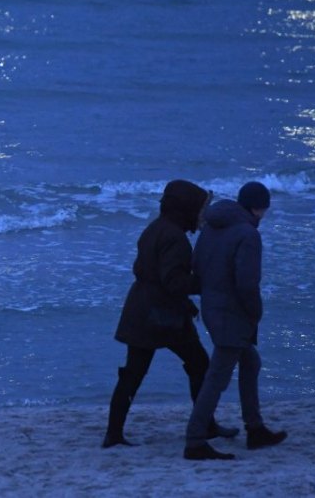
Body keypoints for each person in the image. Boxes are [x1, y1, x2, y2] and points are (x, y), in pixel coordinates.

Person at [103, 179, 238, 448]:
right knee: (199, 366)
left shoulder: (155, 228)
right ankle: (205, 424)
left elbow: (148, 271)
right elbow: (173, 282)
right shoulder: (175, 238)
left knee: (133, 373)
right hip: (162, 316)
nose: (201, 216)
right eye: (198, 209)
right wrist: (207, 282)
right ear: (185, 209)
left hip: (142, 311)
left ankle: (113, 434)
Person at [183, 181, 288, 460]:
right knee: (217, 377)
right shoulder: (248, 235)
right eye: (264, 209)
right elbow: (247, 284)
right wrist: (255, 313)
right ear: (257, 208)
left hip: (212, 310)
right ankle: (194, 440)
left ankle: (255, 429)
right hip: (233, 314)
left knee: (250, 362)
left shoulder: (211, 227)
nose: (264, 215)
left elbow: (197, 267)